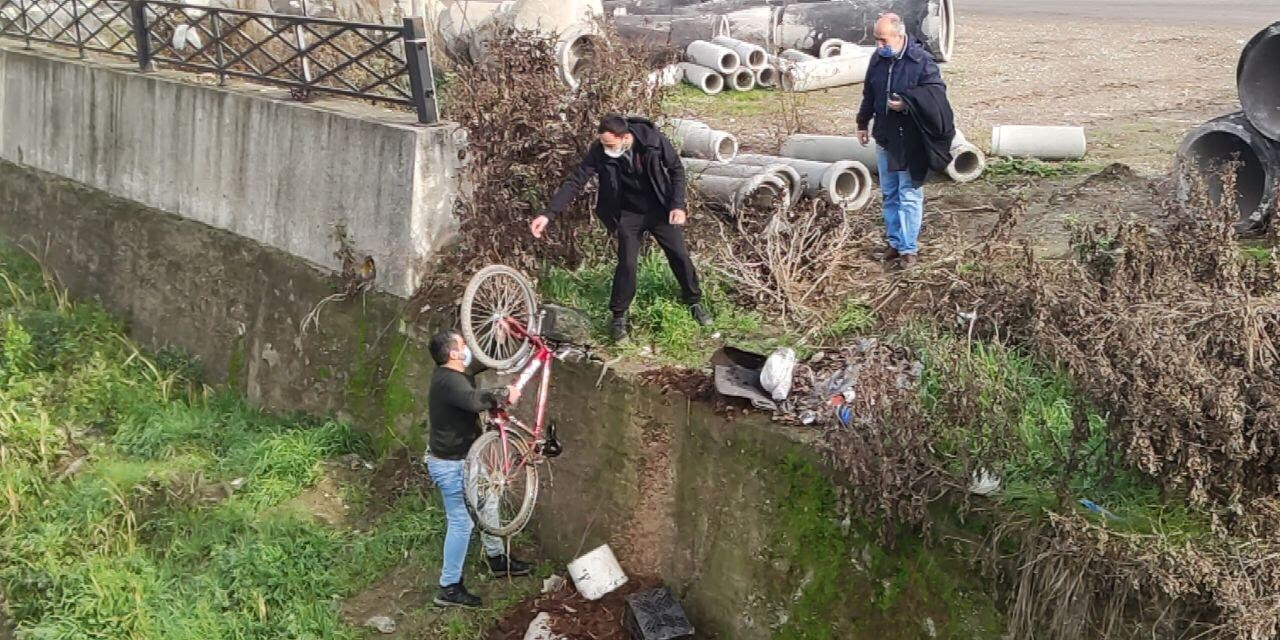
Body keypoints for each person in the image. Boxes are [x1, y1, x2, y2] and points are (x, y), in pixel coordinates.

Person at [529, 113, 712, 341]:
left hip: (660, 208)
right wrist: (548, 214)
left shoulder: (652, 140)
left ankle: (693, 301)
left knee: (679, 255)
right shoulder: (600, 150)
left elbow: (676, 169)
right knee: (627, 263)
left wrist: (677, 206)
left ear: (625, 137)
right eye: (603, 144)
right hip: (628, 212)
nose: (606, 148)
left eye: (610, 144)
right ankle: (618, 317)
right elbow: (576, 180)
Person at [424, 330, 533, 609]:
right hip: (451, 466)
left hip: (467, 459)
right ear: (454, 354)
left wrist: (498, 340)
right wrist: (502, 394)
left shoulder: (456, 372)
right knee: (462, 522)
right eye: (462, 345)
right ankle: (448, 587)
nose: (467, 348)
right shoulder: (448, 381)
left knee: (490, 501)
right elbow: (473, 400)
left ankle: (496, 560)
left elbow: (480, 362)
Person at [856, 13, 954, 267]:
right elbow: (869, 92)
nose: (879, 46)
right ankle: (894, 242)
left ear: (899, 36)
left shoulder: (921, 61)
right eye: (876, 40)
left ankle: (909, 249)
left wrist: (907, 103)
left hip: (911, 140)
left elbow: (936, 95)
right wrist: (862, 122)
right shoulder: (878, 60)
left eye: (883, 40)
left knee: (909, 194)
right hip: (886, 137)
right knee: (889, 193)